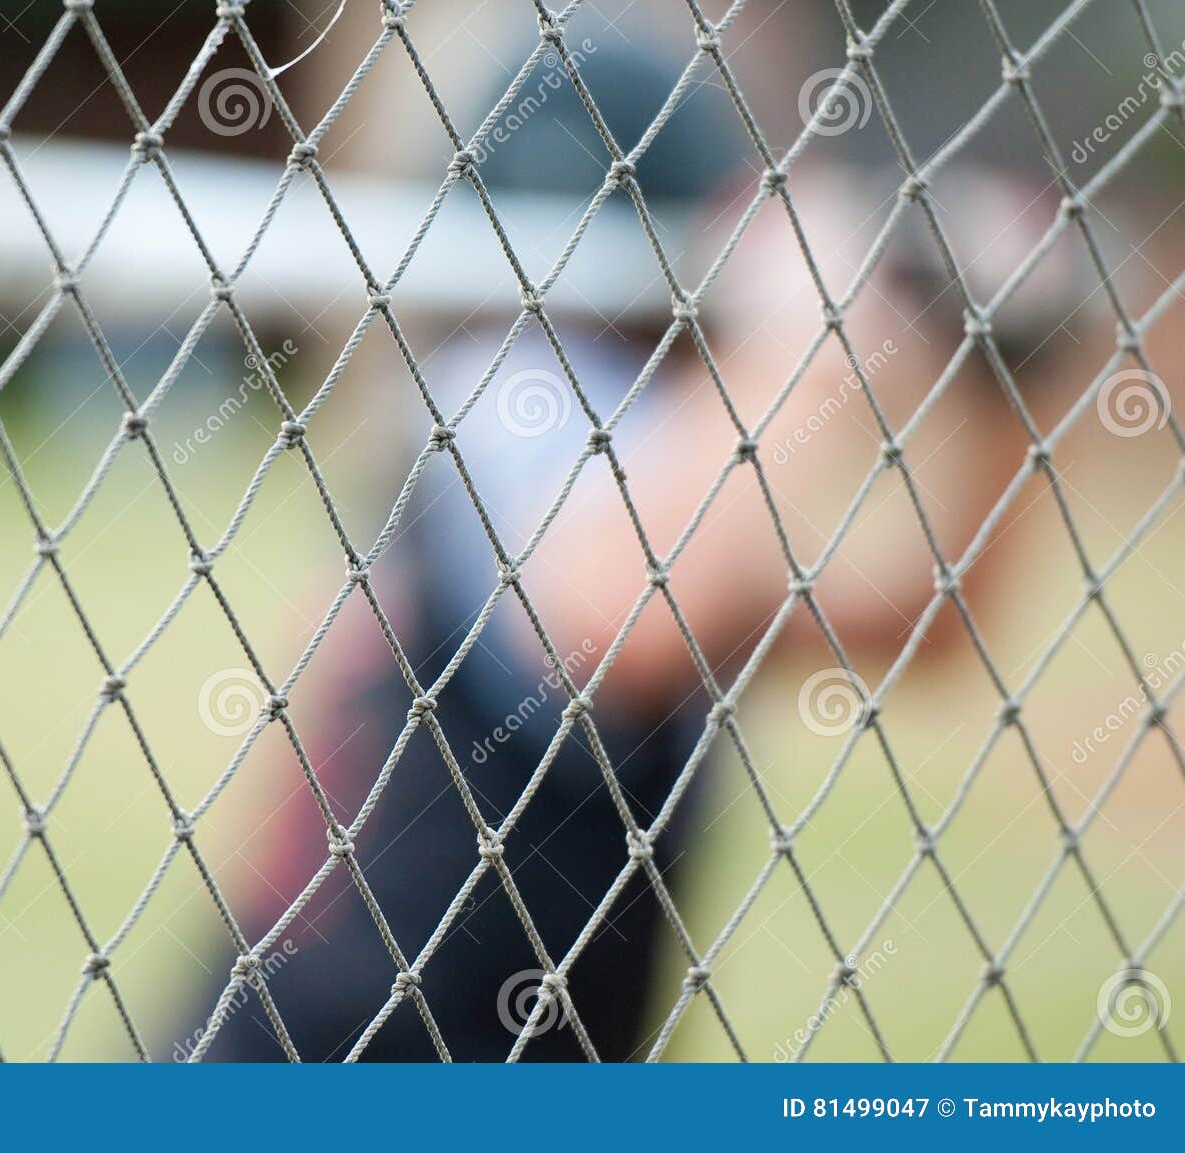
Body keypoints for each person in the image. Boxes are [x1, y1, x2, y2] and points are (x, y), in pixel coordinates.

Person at [185, 43, 1079, 1062]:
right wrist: (808, 333)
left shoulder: (654, 458)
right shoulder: (509, 389)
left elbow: (925, 625)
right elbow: (613, 622)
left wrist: (1013, 375)